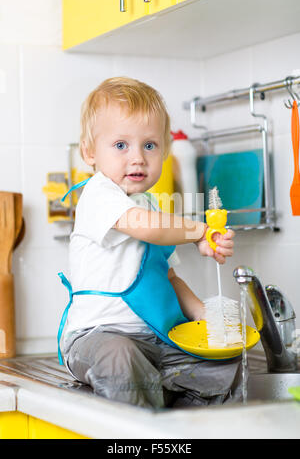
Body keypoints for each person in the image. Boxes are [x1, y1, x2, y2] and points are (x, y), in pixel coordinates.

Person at [58, 76, 243, 409]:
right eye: (120, 145)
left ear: (164, 151)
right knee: (120, 356)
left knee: (224, 364)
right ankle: (140, 429)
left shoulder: (152, 206)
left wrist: (206, 318)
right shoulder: (99, 194)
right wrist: (199, 231)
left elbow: (168, 278)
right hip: (97, 339)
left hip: (156, 341)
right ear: (90, 153)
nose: (138, 158)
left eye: (150, 145)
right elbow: (146, 228)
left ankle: (173, 419)